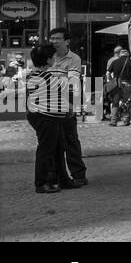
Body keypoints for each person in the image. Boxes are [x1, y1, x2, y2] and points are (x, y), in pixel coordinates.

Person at [42, 28, 87, 189]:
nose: (53, 41)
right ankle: (55, 175)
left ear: (67, 41)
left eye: (57, 38)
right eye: (52, 38)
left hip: (66, 105)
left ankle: (79, 174)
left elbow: (73, 82)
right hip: (48, 107)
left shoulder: (74, 59)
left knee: (71, 141)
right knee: (52, 143)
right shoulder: (47, 57)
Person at [24, 43, 71, 194]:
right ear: (49, 60)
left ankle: (59, 179)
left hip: (40, 115)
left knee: (56, 147)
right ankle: (42, 183)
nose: (55, 59)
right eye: (53, 57)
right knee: (46, 150)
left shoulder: (33, 75)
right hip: (46, 117)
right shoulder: (48, 77)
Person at [106, 47, 131, 127]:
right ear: (128, 55)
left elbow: (108, 74)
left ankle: (113, 121)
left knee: (115, 103)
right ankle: (128, 120)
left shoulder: (114, 62)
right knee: (128, 103)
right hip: (127, 84)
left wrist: (112, 80)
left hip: (116, 85)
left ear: (120, 54)